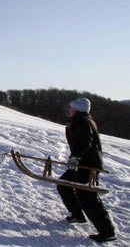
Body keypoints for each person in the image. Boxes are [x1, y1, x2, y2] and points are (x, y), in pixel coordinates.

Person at [57, 98, 116, 243]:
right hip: (82, 163)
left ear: (76, 108)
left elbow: (84, 141)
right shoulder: (80, 119)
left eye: (71, 107)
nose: (69, 110)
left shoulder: (81, 120)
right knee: (64, 185)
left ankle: (107, 232)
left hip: (87, 164)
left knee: (87, 196)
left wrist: (76, 157)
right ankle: (77, 214)